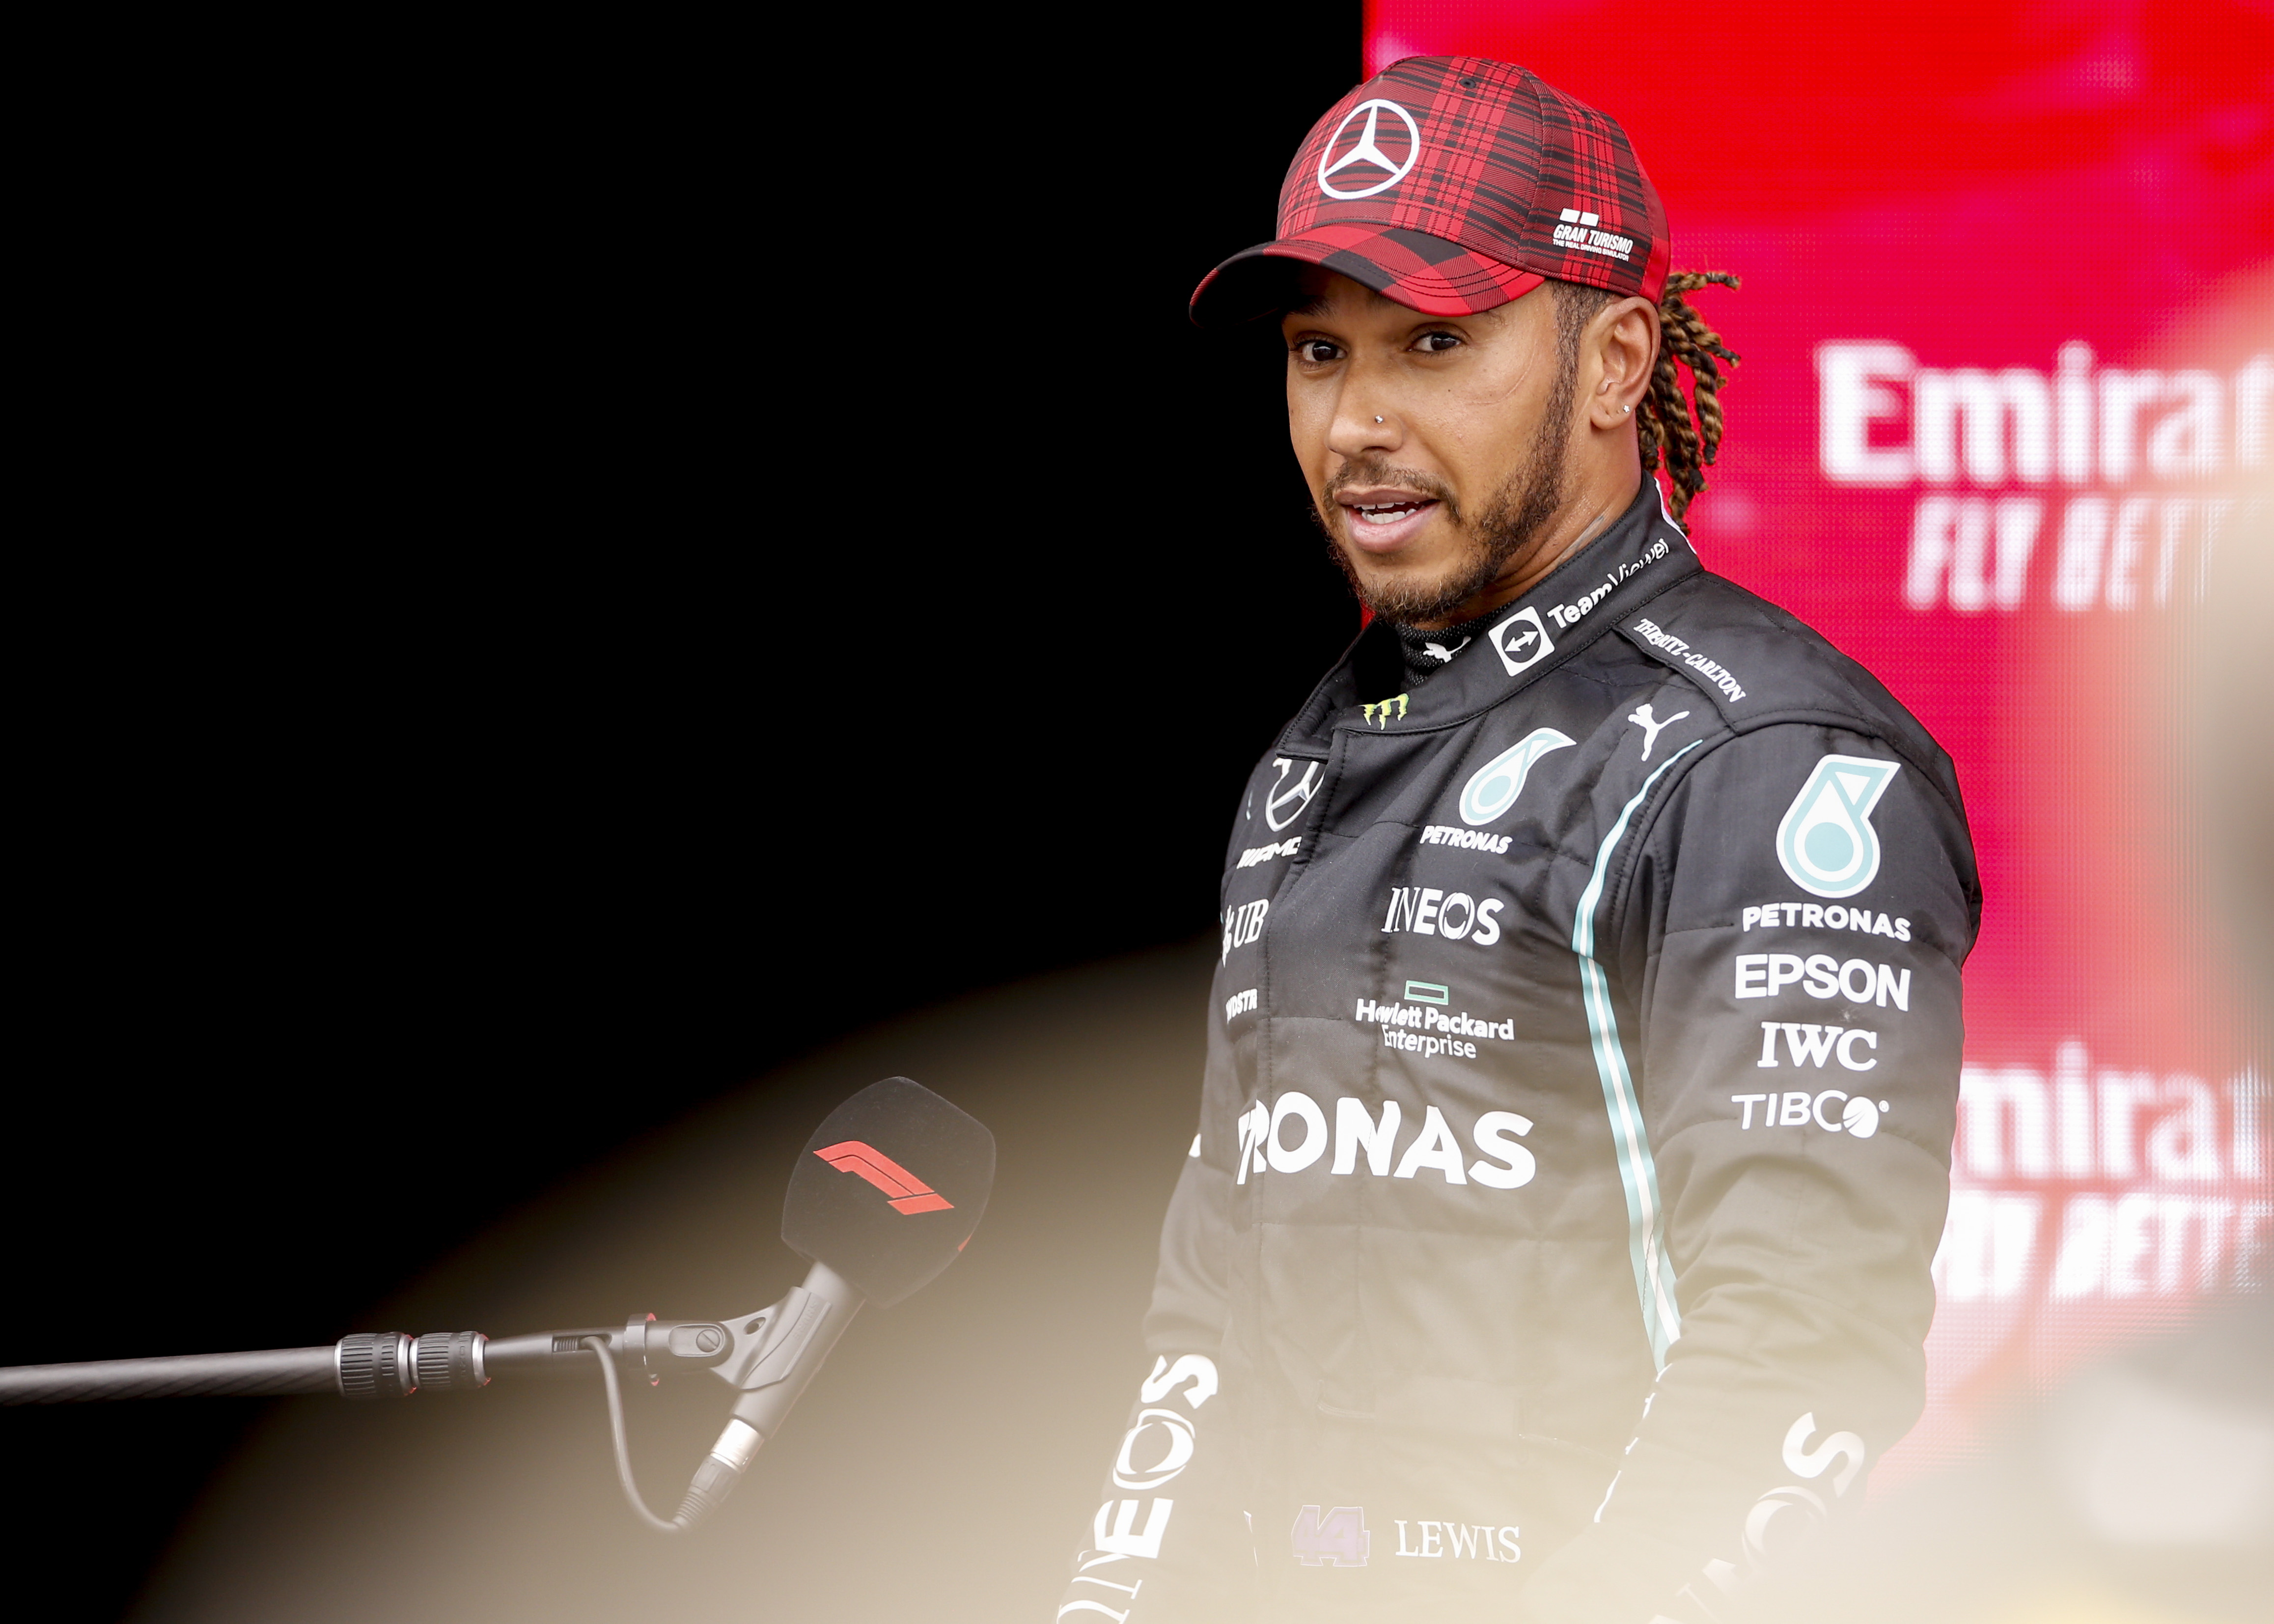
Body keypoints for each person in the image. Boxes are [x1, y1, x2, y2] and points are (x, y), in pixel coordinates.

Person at [1057, 56, 1978, 1624]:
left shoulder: (1767, 759)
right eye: (1319, 351)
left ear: (1615, 362)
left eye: (1434, 342)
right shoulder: (1308, 760)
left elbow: (1801, 1348)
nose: (1357, 421)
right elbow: (1212, 1313)